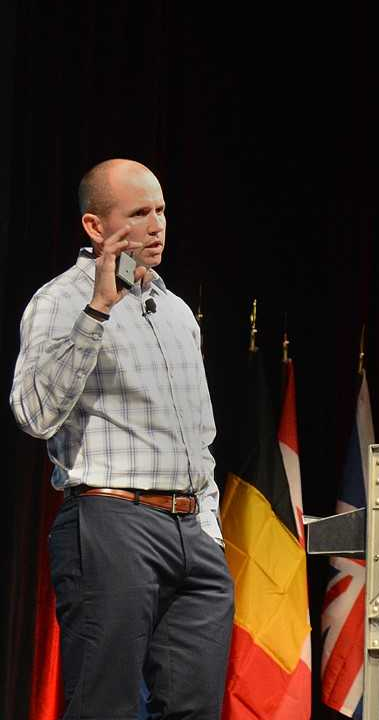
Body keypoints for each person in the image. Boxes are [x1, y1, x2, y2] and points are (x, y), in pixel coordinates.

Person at [10, 159, 233, 719]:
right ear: (94, 226)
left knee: (195, 709)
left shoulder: (178, 311)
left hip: (193, 533)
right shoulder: (60, 301)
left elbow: (199, 435)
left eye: (161, 210)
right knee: (104, 707)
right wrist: (99, 311)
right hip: (113, 523)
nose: (157, 225)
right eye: (139, 213)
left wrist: (209, 530)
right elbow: (34, 415)